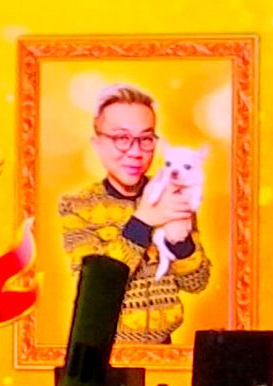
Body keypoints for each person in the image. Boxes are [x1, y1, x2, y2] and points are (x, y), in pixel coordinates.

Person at [59, 84, 211, 343]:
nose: (135, 151)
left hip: (163, 352)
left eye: (146, 139)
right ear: (97, 144)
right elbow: (96, 291)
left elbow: (196, 283)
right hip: (104, 352)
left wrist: (182, 242)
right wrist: (144, 220)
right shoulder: (77, 205)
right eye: (121, 138)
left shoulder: (172, 192)